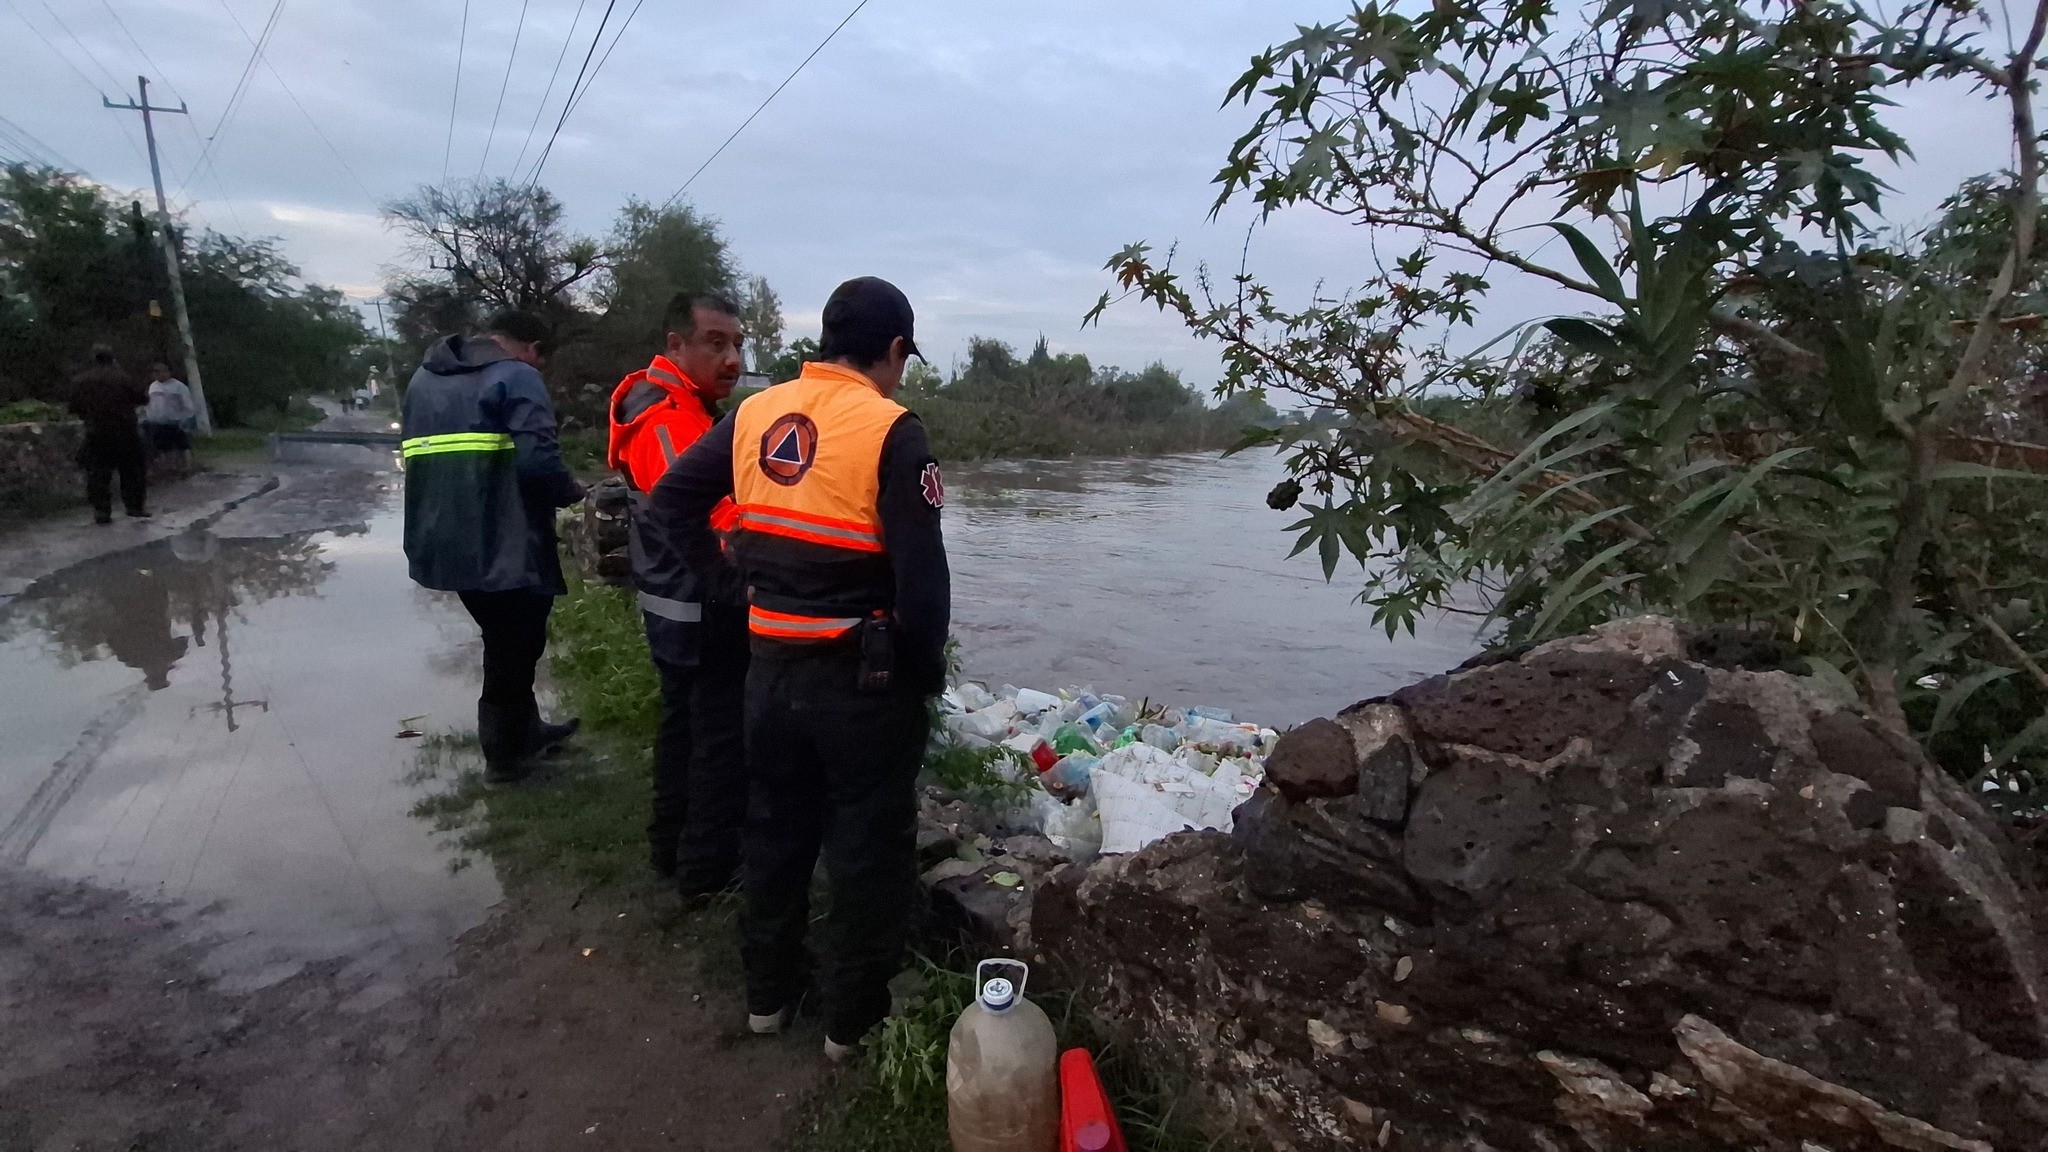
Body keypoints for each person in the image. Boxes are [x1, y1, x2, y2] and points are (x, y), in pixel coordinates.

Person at [650, 276, 951, 1060]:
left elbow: (671, 501)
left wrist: (728, 588)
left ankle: (767, 998)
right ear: (893, 352)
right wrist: (925, 679)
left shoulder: (755, 412)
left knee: (774, 833)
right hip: (862, 684)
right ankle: (852, 1024)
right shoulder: (893, 429)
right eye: (903, 359)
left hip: (768, 672)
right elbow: (923, 588)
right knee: (866, 850)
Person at [400, 310, 585, 783]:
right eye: (540, 359)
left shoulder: (424, 380)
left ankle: (525, 731)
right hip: (504, 540)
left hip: (442, 539)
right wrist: (576, 494)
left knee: (505, 639)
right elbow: (539, 462)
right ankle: (504, 756)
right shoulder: (517, 376)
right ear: (532, 348)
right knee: (515, 645)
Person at [607, 291, 750, 895]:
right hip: (697, 612)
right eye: (715, 343)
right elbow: (706, 513)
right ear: (676, 346)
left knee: (684, 733)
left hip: (674, 605)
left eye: (739, 344)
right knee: (715, 745)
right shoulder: (666, 419)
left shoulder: (680, 409)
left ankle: (672, 849)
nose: (733, 358)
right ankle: (704, 872)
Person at [66, 344, 150, 524]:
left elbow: (72, 407)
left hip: (96, 431)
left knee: (97, 472)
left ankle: (102, 510)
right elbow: (143, 398)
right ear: (112, 359)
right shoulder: (123, 377)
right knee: (132, 470)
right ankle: (134, 507)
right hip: (125, 430)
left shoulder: (80, 380)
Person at [142, 361, 195, 478]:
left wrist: (185, 419)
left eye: (160, 371)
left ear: (168, 372)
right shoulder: (153, 387)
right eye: (155, 372)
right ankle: (167, 470)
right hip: (158, 423)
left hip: (176, 422)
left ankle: (185, 468)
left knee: (182, 446)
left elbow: (188, 405)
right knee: (163, 447)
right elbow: (149, 404)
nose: (157, 374)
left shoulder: (179, 387)